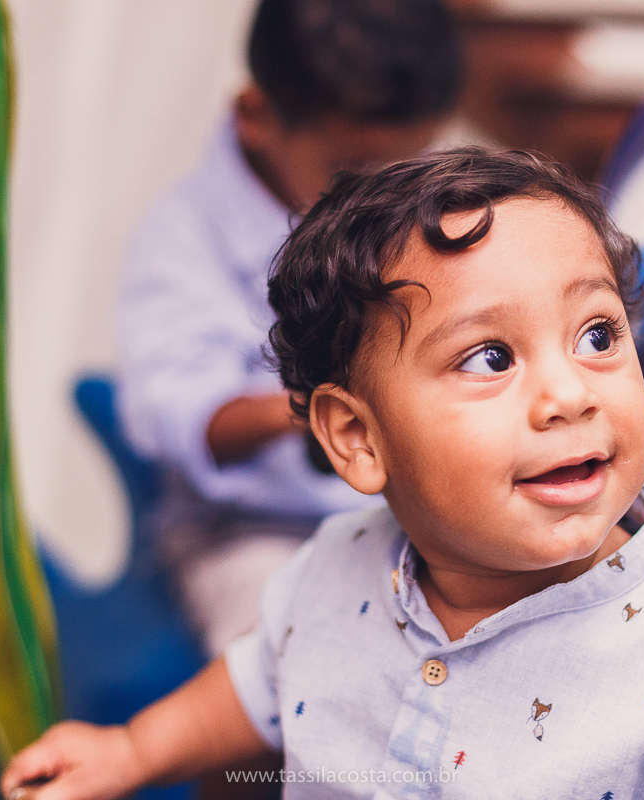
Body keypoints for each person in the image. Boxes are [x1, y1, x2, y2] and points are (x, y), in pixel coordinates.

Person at [6, 148, 644, 799]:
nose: (571, 393)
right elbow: (262, 676)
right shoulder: (338, 566)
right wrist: (133, 750)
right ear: (358, 438)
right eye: (491, 356)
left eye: (599, 335)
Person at [117, 0, 463, 656]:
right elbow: (181, 415)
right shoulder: (182, 238)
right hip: (257, 532)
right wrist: (318, 408)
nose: (386, 198)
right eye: (351, 173)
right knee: (273, 656)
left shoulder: (429, 204)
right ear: (255, 117)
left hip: (419, 513)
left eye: (413, 165)